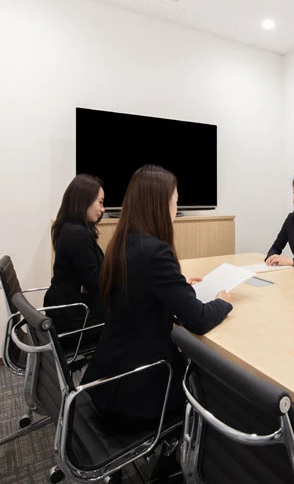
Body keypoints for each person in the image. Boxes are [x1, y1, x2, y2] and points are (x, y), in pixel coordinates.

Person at [82, 164, 232, 431]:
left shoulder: (123, 242)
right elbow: (198, 319)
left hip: (108, 378)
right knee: (219, 388)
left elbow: (139, 291)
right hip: (140, 390)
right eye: (176, 201)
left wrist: (174, 284)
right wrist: (223, 301)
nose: (176, 208)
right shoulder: (156, 252)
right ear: (161, 205)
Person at [45, 174, 106, 353]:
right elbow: (94, 282)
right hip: (76, 321)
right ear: (84, 200)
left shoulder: (67, 228)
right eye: (100, 202)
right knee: (131, 316)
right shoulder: (78, 234)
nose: (102, 209)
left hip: (66, 312)